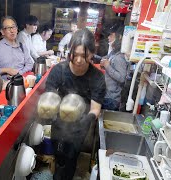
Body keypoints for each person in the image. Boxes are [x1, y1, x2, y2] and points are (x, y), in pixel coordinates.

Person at [45, 29, 106, 180]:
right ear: (69, 50)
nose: (78, 60)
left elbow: (95, 109)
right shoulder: (58, 70)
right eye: (75, 54)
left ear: (92, 54)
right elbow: (50, 96)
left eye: (84, 56)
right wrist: (47, 109)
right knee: (58, 156)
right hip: (58, 121)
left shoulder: (97, 77)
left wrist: (86, 120)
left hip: (81, 124)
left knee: (71, 157)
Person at [100, 25, 128, 111]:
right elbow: (106, 58)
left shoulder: (119, 57)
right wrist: (103, 61)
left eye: (111, 35)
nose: (108, 37)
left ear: (119, 37)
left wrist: (107, 66)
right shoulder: (114, 53)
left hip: (112, 99)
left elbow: (121, 78)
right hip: (106, 95)